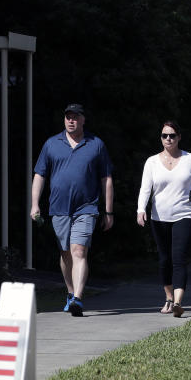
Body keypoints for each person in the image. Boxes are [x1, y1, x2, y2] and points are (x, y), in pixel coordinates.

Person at [30, 103, 114, 317]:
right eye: (68, 116)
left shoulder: (95, 145)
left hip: (87, 208)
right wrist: (35, 204)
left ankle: (78, 298)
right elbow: (40, 175)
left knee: (79, 251)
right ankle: (70, 293)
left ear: (83, 120)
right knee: (65, 253)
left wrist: (108, 211)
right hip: (59, 208)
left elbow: (106, 179)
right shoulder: (51, 144)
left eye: (75, 117)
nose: (71, 120)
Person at [136, 120, 191, 318]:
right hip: (160, 216)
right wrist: (141, 209)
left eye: (172, 135)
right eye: (165, 135)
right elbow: (145, 188)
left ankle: (178, 303)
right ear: (161, 138)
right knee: (165, 260)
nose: (168, 139)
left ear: (179, 137)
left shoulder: (190, 159)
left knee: (179, 258)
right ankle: (168, 297)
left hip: (184, 213)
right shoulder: (152, 162)